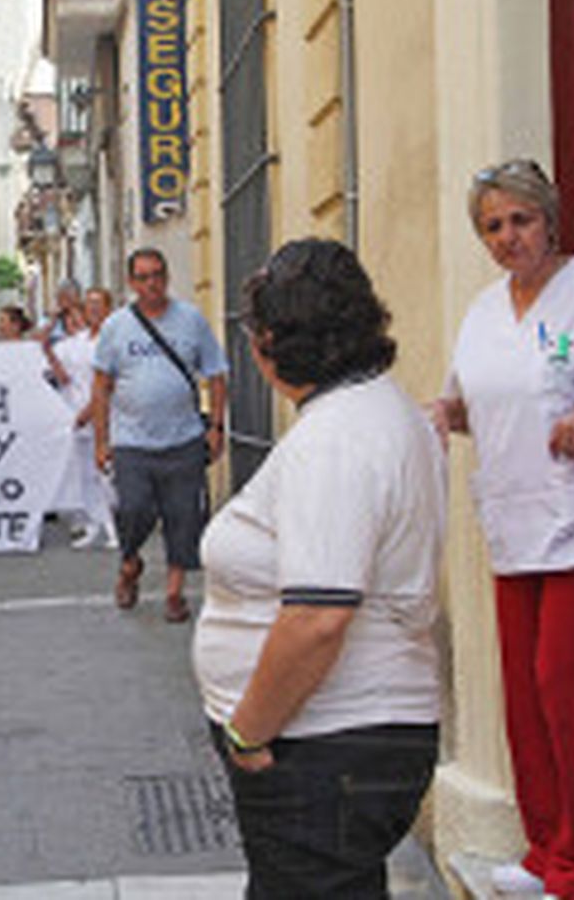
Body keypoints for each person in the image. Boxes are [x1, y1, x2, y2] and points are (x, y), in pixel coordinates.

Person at [431, 159, 574, 899]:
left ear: (548, 219)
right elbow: (463, 403)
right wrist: (434, 419)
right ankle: (548, 850)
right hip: (513, 524)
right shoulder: (484, 310)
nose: (507, 237)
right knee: (528, 701)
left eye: (520, 220)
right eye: (492, 226)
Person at [195, 239, 445, 898]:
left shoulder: (335, 439)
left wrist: (248, 730)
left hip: (325, 746)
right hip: (350, 742)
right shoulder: (382, 411)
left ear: (269, 342)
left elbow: (318, 615)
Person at [92, 247, 228, 623]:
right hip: (132, 442)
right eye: (144, 277)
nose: (152, 284)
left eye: (158, 275)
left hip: (183, 439)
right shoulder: (116, 326)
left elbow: (216, 375)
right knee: (133, 511)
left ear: (166, 278)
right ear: (132, 283)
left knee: (182, 517)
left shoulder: (191, 320)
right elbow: (100, 386)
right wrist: (101, 441)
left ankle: (174, 593)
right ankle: (130, 563)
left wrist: (216, 426)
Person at [52, 287, 116, 550]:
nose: (92, 309)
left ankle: (114, 528)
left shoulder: (112, 339)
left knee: (106, 474)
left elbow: (109, 382)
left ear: (108, 308)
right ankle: (94, 524)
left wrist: (90, 411)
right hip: (77, 416)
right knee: (85, 475)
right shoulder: (78, 342)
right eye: (88, 305)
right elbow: (57, 367)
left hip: (105, 415)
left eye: (98, 304)